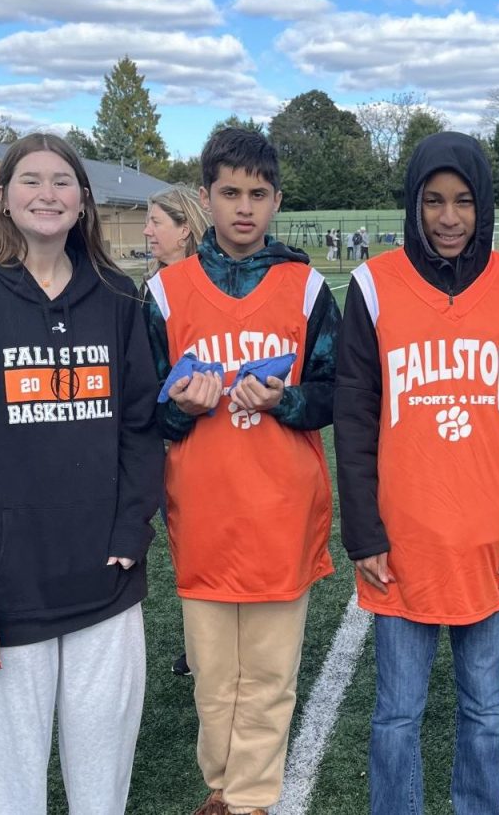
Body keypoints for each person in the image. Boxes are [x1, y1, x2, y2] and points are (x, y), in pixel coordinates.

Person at [0, 133, 164, 814]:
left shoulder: (118, 297)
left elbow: (140, 428)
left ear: (83, 202)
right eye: (31, 180)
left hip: (102, 585)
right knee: (2, 796)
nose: (47, 194)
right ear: (3, 198)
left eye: (62, 182)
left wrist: (131, 526)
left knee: (101, 793)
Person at [335, 131, 499, 815]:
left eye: (463, 200)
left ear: (483, 203)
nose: (449, 217)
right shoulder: (372, 286)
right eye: (433, 201)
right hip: (403, 543)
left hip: (493, 541)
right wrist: (365, 532)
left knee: (485, 708)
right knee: (397, 714)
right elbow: (353, 420)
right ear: (413, 204)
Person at [144, 127, 341, 815]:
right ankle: (225, 785)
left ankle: (251, 800)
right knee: (213, 677)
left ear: (277, 199)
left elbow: (336, 392)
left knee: (269, 674)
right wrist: (180, 408)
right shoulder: (166, 293)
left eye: (258, 194)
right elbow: (147, 414)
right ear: (205, 197)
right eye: (229, 193)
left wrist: (287, 400)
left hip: (282, 510)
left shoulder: (307, 286)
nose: (244, 208)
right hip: (201, 513)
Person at [141, 183, 212, 679]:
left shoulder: (207, 285)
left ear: (185, 228)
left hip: (211, 438)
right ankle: (199, 644)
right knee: (186, 542)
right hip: (168, 441)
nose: (147, 231)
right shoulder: (152, 290)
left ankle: (211, 644)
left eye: (156, 222)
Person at [145, 183, 212, 268]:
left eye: (156, 222)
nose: (146, 231)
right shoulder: (155, 280)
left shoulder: (215, 278)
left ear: (185, 230)